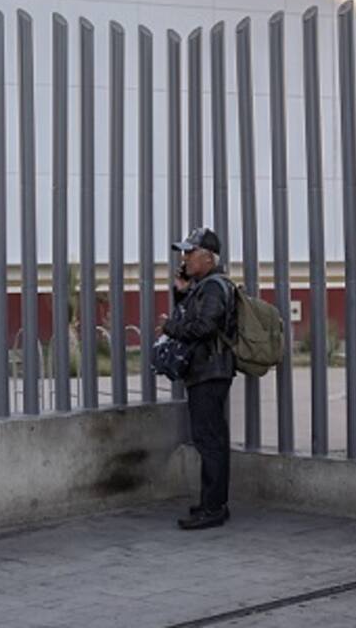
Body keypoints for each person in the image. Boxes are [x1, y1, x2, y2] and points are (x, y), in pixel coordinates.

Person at [161, 227, 235, 530]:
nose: (184, 258)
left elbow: (204, 327)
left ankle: (214, 508)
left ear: (207, 258)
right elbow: (195, 317)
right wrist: (182, 291)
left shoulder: (215, 287)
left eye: (190, 253)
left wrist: (170, 329)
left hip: (210, 372)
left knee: (211, 441)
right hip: (205, 371)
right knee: (209, 439)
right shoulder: (203, 286)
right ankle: (211, 503)